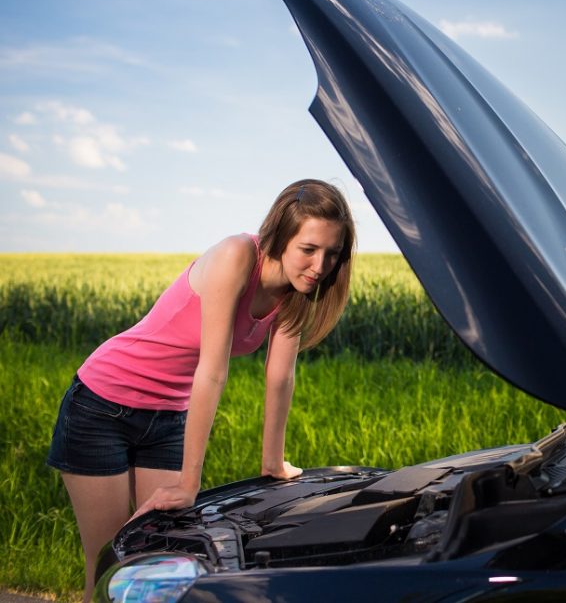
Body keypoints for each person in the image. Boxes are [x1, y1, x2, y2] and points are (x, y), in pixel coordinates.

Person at [46, 178, 355, 602]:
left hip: (168, 418)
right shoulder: (236, 255)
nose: (320, 266)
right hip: (103, 405)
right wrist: (190, 482)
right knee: (110, 566)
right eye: (309, 249)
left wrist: (273, 461)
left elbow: (280, 375)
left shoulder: (296, 293)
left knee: (154, 563)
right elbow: (212, 371)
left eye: (332, 254)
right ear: (282, 237)